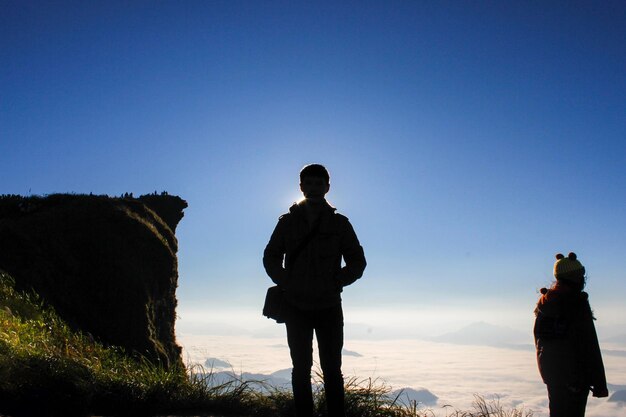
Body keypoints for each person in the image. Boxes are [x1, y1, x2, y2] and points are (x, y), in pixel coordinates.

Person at [263, 164, 366, 417]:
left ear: (327, 187)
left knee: (332, 369)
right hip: (296, 306)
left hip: (329, 306)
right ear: (300, 187)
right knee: (300, 368)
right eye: (308, 184)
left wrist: (335, 281)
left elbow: (357, 261)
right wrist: (287, 282)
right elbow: (271, 256)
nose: (313, 188)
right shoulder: (287, 223)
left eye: (318, 184)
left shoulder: (340, 224)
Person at [534, 252, 608, 417]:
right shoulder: (576, 305)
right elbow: (589, 345)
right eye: (581, 275)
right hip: (576, 378)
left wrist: (549, 375)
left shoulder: (545, 303)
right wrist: (599, 384)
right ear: (575, 278)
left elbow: (540, 342)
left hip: (554, 377)